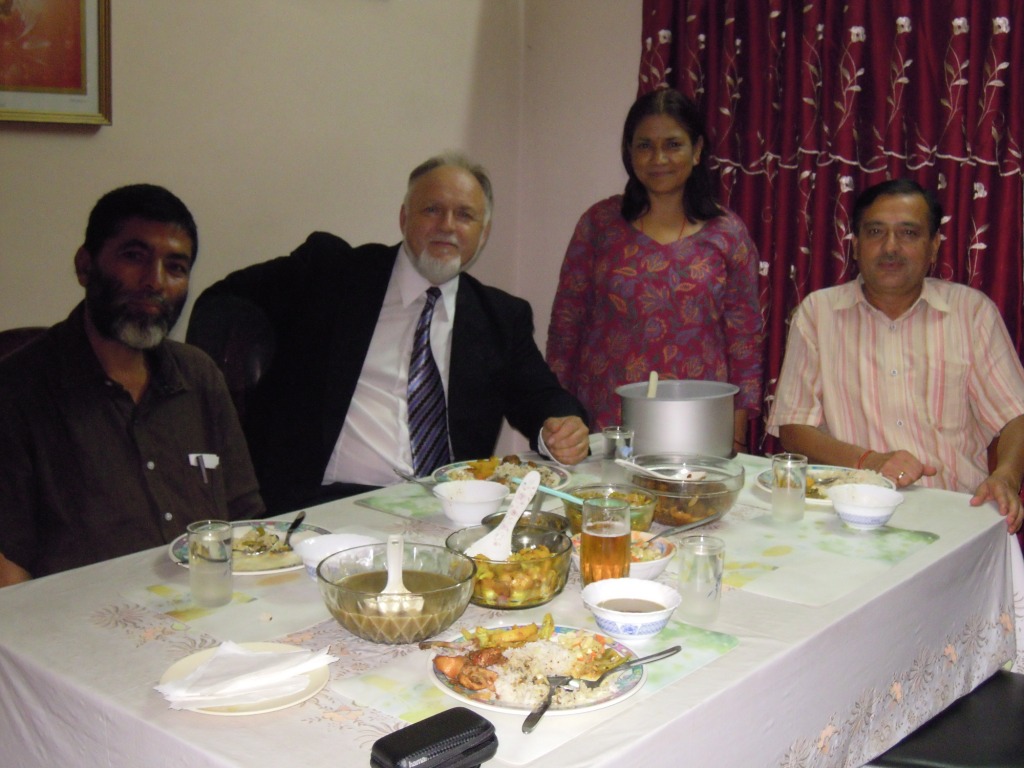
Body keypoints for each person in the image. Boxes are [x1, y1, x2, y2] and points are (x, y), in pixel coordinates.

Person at [191, 153, 590, 513]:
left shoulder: (501, 316)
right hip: (327, 504)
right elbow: (223, 299)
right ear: (403, 218)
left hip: (446, 509)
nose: (447, 226)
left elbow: (541, 395)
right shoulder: (334, 274)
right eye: (432, 209)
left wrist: (561, 425)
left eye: (465, 215)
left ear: (483, 234)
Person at [0, 184, 265, 586]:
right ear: (85, 266)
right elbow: (9, 570)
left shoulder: (198, 376)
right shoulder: (19, 390)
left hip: (211, 613)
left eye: (176, 267)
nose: (154, 282)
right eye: (134, 257)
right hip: (82, 628)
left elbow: (245, 521)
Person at [767, 178, 1024, 534]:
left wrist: (1007, 476)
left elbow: (1016, 416)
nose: (890, 247)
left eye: (908, 233)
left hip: (955, 514)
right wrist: (869, 462)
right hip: (848, 517)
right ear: (855, 245)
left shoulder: (972, 313)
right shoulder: (818, 313)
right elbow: (794, 429)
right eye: (875, 232)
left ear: (933, 246)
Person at [546, 88, 764, 450]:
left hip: (696, 423)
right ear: (629, 154)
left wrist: (735, 435)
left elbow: (744, 343)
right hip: (606, 419)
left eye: (673, 145)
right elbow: (566, 328)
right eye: (644, 145)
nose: (658, 158)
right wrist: (559, 415)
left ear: (696, 151)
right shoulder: (599, 224)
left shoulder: (728, 232)